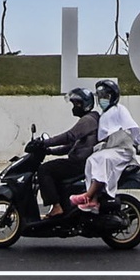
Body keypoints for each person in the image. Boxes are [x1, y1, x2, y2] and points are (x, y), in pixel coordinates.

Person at [69, 78, 140, 213]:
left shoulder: (119, 110)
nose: (102, 99)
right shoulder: (104, 114)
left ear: (113, 97)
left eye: (105, 96)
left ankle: (88, 195)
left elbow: (133, 128)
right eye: (101, 96)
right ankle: (94, 200)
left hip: (123, 150)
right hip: (112, 150)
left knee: (101, 159)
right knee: (92, 159)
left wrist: (136, 142)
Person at [34, 87, 99, 218]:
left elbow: (69, 137)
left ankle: (57, 207)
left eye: (77, 104)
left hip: (79, 164)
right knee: (54, 173)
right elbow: (70, 146)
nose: (74, 107)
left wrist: (45, 142)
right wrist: (50, 151)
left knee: (44, 170)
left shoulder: (88, 120)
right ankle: (64, 207)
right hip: (80, 162)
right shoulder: (90, 118)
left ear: (85, 105)